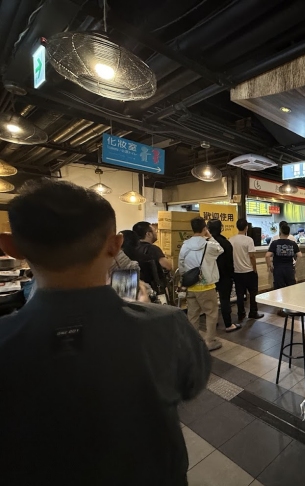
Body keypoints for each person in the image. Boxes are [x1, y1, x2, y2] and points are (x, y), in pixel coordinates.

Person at [0, 180, 211, 485]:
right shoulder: (167, 324)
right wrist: (143, 312)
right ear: (115, 245)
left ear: (10, 247)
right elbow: (192, 384)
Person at [178, 217, 224, 351]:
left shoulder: (185, 245)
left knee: (192, 315)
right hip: (206, 286)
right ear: (205, 229)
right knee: (211, 313)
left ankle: (193, 342)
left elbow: (181, 265)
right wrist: (210, 236)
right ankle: (209, 341)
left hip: (191, 286)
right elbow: (220, 250)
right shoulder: (209, 245)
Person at [230, 218, 264, 322]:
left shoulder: (231, 240)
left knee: (240, 294)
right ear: (246, 227)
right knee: (253, 293)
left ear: (237, 227)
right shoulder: (248, 240)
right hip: (249, 271)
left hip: (237, 271)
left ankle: (241, 314)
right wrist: (255, 269)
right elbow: (252, 256)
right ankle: (253, 312)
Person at [207, 219, 238, 332]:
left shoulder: (206, 242)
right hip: (225, 276)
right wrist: (232, 275)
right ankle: (228, 324)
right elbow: (230, 262)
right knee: (225, 300)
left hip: (209, 276)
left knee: (211, 301)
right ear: (221, 228)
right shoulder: (225, 243)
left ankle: (212, 323)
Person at [132, 221, 172, 291]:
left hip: (138, 287)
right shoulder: (153, 249)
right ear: (148, 234)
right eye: (155, 231)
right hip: (153, 288)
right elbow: (167, 266)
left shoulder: (133, 249)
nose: (156, 233)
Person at [266, 224, 302, 288]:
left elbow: (267, 256)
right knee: (290, 288)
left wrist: (270, 266)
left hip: (278, 269)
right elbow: (300, 255)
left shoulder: (275, 243)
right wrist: (296, 266)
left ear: (280, 232)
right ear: (288, 233)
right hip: (289, 268)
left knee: (279, 288)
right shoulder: (293, 243)